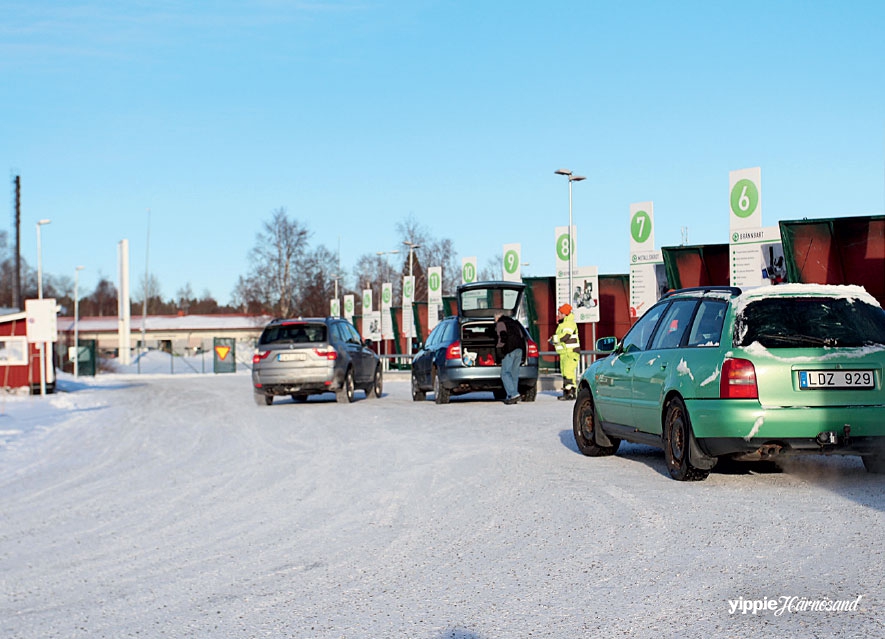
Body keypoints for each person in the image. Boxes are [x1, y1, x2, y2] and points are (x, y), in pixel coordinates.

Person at [495, 312, 526, 405]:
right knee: (514, 373)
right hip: (519, 349)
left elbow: (503, 337)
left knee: (505, 373)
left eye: (494, 318)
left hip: (509, 350)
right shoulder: (515, 323)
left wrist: (499, 350)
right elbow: (522, 336)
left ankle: (513, 394)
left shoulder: (500, 323)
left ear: (497, 318)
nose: (494, 321)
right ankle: (512, 395)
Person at [550, 303, 580, 400]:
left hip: (570, 353)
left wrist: (554, 338)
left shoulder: (569, 323)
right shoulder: (563, 324)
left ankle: (569, 393)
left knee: (568, 373)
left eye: (560, 313)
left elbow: (565, 336)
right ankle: (569, 392)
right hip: (565, 353)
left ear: (565, 314)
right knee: (565, 372)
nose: (558, 315)